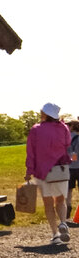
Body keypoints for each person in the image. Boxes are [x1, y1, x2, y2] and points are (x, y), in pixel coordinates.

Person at [25, 102, 72, 244]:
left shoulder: (36, 129)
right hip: (60, 170)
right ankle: (63, 222)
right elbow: (67, 145)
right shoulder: (64, 128)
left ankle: (55, 234)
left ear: (45, 114)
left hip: (42, 171)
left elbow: (31, 153)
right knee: (60, 200)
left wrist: (29, 171)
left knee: (48, 203)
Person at [66, 119, 79, 226]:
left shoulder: (66, 137)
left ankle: (67, 212)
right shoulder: (77, 137)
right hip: (77, 167)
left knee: (68, 190)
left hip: (69, 168)